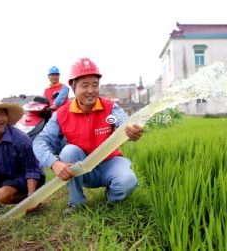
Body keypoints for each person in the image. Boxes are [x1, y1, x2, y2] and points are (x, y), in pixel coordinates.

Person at [33, 58, 144, 215]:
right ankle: (76, 203)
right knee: (68, 151)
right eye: (85, 85)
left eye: (95, 85)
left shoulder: (110, 108)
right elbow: (40, 141)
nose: (91, 90)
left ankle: (112, 201)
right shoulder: (61, 114)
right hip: (82, 168)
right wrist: (55, 163)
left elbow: (123, 122)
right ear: (74, 88)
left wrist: (130, 130)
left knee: (127, 181)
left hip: (109, 163)